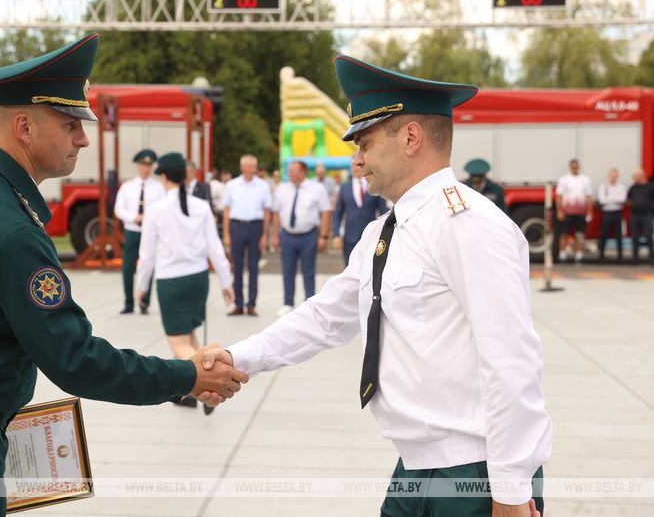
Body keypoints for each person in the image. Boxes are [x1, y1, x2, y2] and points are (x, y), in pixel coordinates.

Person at [0, 34, 248, 517]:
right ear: (25, 127)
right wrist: (186, 375)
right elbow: (76, 359)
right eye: (71, 124)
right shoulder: (14, 232)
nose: (83, 139)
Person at [203, 57, 550, 517]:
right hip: (416, 464)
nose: (357, 160)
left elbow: (511, 359)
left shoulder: (468, 224)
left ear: (410, 138)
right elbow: (326, 317)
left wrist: (510, 488)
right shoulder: (385, 230)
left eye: (365, 143)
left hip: (474, 472)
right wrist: (237, 358)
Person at [136, 152, 234, 414]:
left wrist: (141, 287)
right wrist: (226, 282)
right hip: (198, 279)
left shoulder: (155, 209)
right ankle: (190, 392)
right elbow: (215, 249)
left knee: (178, 343)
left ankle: (208, 386)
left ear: (164, 177)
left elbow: (146, 256)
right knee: (189, 335)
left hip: (171, 281)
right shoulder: (201, 206)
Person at [272, 160, 331, 316]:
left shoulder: (317, 189)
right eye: (289, 171)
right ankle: (287, 303)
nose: (290, 174)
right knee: (287, 271)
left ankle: (309, 304)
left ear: (303, 172)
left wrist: (323, 236)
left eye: (293, 171)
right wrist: (275, 235)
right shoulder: (282, 189)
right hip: (287, 235)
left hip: (309, 235)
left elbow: (325, 212)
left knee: (309, 272)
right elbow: (276, 213)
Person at [113, 149, 164, 314]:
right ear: (138, 166)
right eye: (143, 165)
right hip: (132, 230)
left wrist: (148, 218)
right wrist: (134, 217)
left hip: (150, 232)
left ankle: (144, 302)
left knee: (148, 265)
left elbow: (162, 208)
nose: (146, 168)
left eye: (149, 165)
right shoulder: (127, 187)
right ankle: (128, 303)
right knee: (128, 267)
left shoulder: (158, 188)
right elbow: (119, 209)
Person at [222, 154, 272, 316]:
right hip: (236, 226)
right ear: (242, 167)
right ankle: (238, 303)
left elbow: (267, 212)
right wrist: (226, 234)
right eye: (249, 166)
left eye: (254, 166)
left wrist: (265, 235)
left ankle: (251, 304)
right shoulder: (231, 185)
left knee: (253, 267)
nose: (253, 169)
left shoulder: (263, 186)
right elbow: (226, 211)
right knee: (236, 267)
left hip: (255, 227)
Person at [332, 160, 388, 267]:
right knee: (350, 268)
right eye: (354, 165)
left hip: (371, 237)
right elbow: (338, 213)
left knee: (369, 268)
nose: (356, 168)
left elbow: (383, 212)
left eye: (359, 165)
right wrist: (336, 235)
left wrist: (384, 234)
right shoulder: (344, 188)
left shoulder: (374, 186)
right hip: (350, 237)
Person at [555, 159, 593, 264]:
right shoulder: (564, 180)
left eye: (576, 167)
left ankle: (579, 255)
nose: (574, 168)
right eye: (573, 167)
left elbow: (588, 196)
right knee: (564, 233)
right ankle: (562, 254)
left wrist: (590, 211)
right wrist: (559, 210)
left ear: (579, 167)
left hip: (581, 212)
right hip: (567, 211)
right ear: (570, 167)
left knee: (580, 234)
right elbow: (559, 196)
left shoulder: (585, 180)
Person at [597, 167, 627, 263]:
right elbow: (602, 200)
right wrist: (615, 198)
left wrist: (609, 198)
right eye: (611, 176)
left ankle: (620, 256)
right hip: (606, 213)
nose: (613, 178)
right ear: (608, 176)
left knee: (618, 234)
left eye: (615, 176)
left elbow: (622, 199)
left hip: (617, 212)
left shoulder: (621, 186)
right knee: (604, 234)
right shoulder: (603, 186)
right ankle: (601, 255)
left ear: (617, 176)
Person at [627, 168, 654, 265]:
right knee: (635, 237)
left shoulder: (650, 187)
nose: (633, 178)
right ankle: (635, 259)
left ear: (642, 176)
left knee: (649, 237)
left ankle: (651, 259)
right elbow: (629, 200)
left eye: (635, 176)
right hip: (635, 216)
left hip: (647, 215)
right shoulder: (632, 187)